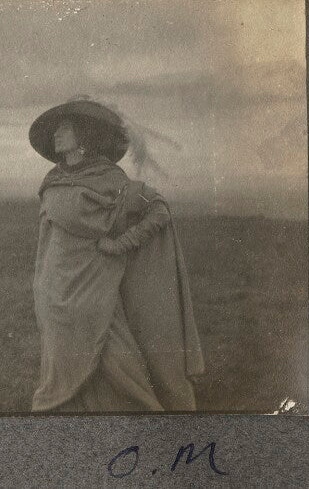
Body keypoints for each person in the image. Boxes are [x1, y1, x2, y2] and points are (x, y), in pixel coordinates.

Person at [28, 98, 205, 412]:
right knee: (59, 363)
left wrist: (120, 243)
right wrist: (43, 284)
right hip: (55, 293)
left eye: (65, 128)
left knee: (117, 363)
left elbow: (158, 210)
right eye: (56, 129)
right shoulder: (52, 182)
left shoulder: (111, 181)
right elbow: (48, 240)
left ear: (83, 136)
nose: (57, 134)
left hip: (97, 289)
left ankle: (145, 422)